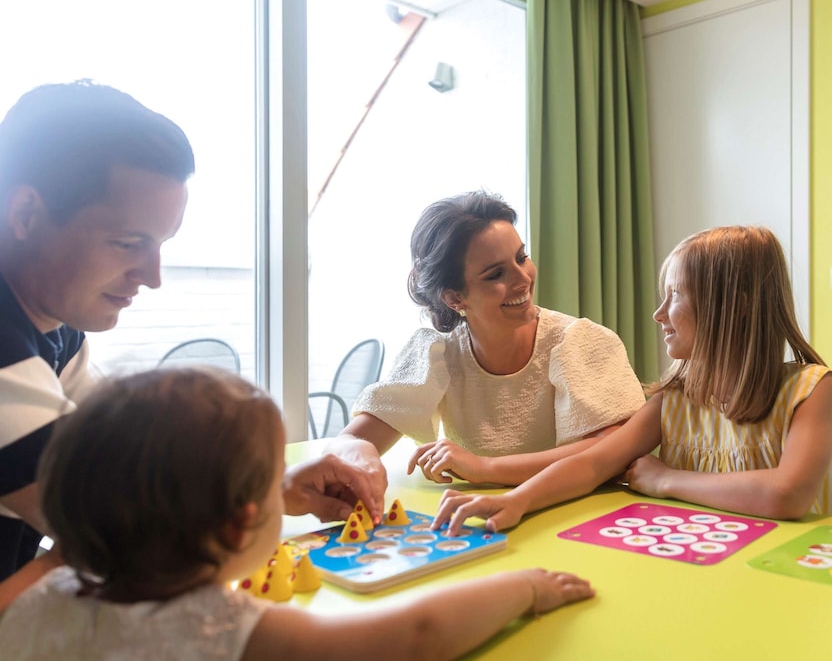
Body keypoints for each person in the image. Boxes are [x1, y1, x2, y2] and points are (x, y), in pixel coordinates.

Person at [0, 81, 380, 594]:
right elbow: (127, 533)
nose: (152, 276)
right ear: (25, 214)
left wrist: (274, 490)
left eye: (160, 245)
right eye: (127, 243)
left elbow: (130, 467)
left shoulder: (56, 329)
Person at [0, 367, 595, 660]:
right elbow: (417, 636)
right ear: (239, 525)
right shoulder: (217, 626)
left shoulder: (33, 598)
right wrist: (523, 587)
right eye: (272, 484)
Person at [432, 225, 832, 536]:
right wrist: (516, 501)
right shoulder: (675, 401)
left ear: (738, 305)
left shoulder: (813, 391)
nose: (658, 314)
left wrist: (664, 479)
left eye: (676, 296)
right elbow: (592, 464)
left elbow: (787, 495)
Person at [330, 191, 646, 491]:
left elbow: (615, 450)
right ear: (455, 298)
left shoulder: (580, 342)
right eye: (496, 274)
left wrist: (485, 468)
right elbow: (348, 443)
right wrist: (358, 458)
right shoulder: (437, 353)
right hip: (480, 518)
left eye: (521, 257)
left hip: (581, 518)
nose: (523, 278)